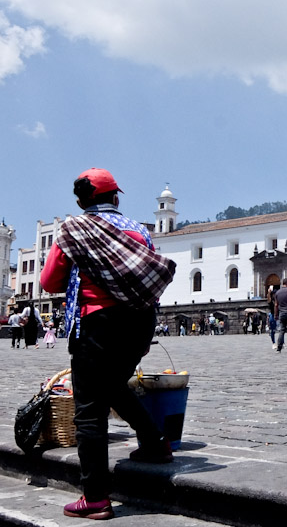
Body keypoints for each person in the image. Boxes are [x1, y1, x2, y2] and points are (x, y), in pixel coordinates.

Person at [40, 167, 176, 520]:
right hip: (140, 321)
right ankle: (155, 442)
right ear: (116, 197)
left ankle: (96, 497)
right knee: (115, 384)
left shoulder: (74, 230)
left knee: (89, 409)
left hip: (98, 321)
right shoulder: (139, 230)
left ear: (83, 201)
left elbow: (49, 281)